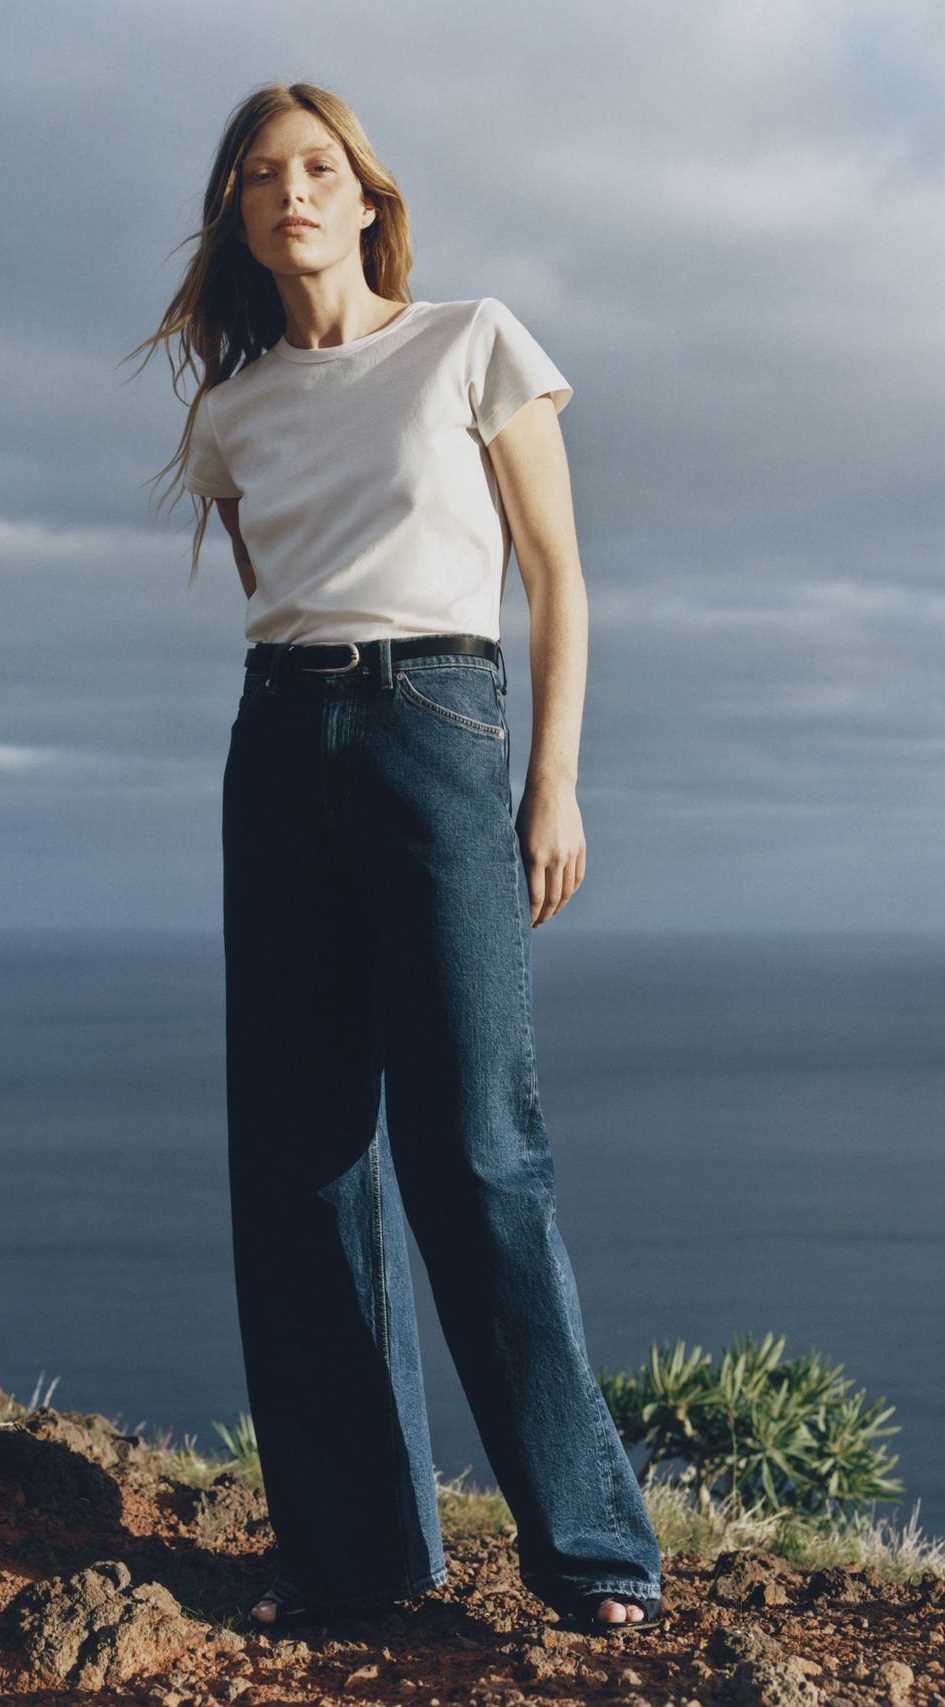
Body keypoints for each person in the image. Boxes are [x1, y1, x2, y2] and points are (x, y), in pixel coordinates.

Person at [123, 81, 663, 1638]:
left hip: (440, 724)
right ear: (238, 214)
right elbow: (281, 594)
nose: (289, 193)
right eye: (258, 177)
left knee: (478, 1143)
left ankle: (593, 1559)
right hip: (281, 744)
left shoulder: (474, 340)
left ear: (365, 197)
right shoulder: (230, 412)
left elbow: (556, 581)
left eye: (316, 169)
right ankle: (362, 1558)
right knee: (300, 1161)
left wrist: (550, 788)